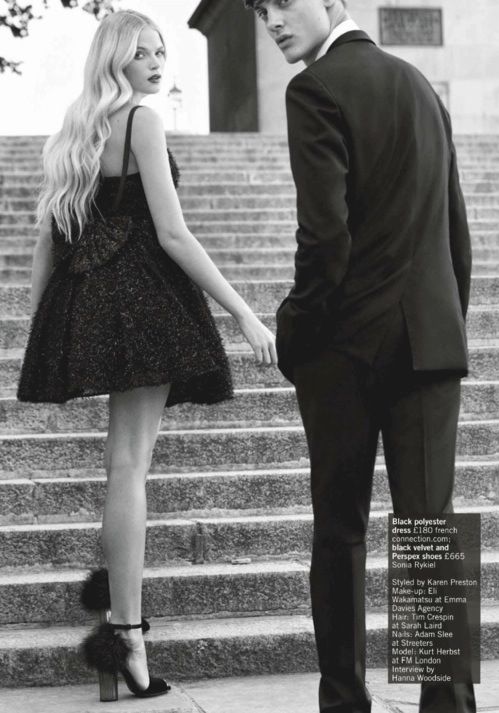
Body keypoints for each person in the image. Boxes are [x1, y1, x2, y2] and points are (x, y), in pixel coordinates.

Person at [16, 8, 277, 702]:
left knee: (119, 467)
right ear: (117, 60)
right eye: (144, 53)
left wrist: (43, 324)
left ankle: (117, 629)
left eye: (163, 52)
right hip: (143, 308)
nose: (159, 64)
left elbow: (50, 238)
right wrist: (246, 314)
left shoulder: (78, 126)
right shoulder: (141, 122)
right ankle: (128, 636)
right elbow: (174, 234)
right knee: (130, 468)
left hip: (91, 306)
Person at [245, 1, 475, 712]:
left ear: (333, 3)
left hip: (346, 350)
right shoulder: (418, 86)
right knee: (428, 532)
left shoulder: (314, 88)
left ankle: (345, 702)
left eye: (284, 3)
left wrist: (293, 330)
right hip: (430, 346)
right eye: (260, 10)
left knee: (340, 531)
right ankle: (447, 706)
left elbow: (325, 237)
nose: (273, 21)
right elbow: (456, 234)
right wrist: (443, 327)